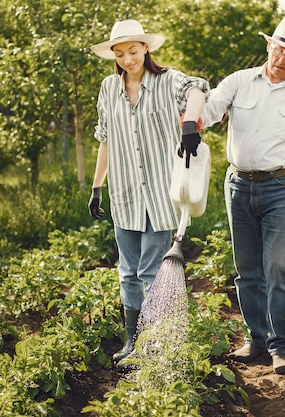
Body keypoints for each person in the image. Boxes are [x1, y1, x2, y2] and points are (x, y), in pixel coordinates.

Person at [200, 16, 285, 374]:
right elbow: (209, 111)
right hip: (239, 185)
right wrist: (191, 116)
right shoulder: (239, 82)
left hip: (284, 188)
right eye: (280, 49)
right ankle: (256, 339)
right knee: (247, 269)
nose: (283, 59)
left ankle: (283, 344)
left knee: (278, 267)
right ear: (268, 45)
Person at [88, 19, 209, 364]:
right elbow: (105, 140)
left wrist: (188, 122)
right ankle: (131, 341)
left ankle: (155, 344)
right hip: (124, 193)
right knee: (127, 272)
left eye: (134, 51)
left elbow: (198, 89)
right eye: (121, 53)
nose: (128, 59)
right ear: (114, 55)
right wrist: (97, 187)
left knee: (151, 272)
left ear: (146, 49)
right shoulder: (109, 88)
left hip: (160, 194)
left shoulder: (168, 81)